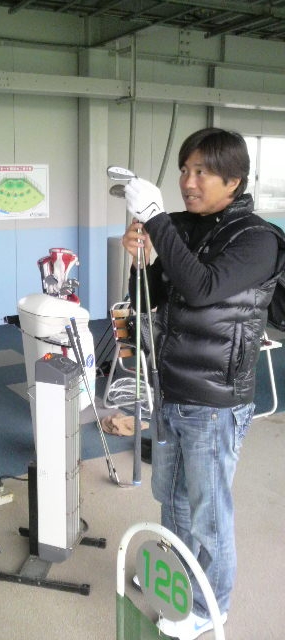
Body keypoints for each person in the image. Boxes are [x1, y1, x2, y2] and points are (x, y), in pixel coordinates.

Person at [122, 128, 285, 640]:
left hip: (215, 402)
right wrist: (141, 260)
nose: (188, 182)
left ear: (233, 181)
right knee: (171, 497)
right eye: (184, 170)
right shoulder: (186, 228)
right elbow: (147, 300)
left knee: (209, 514)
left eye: (201, 172)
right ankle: (176, 580)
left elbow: (201, 288)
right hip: (172, 389)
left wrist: (156, 220)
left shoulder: (258, 239)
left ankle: (210, 609)